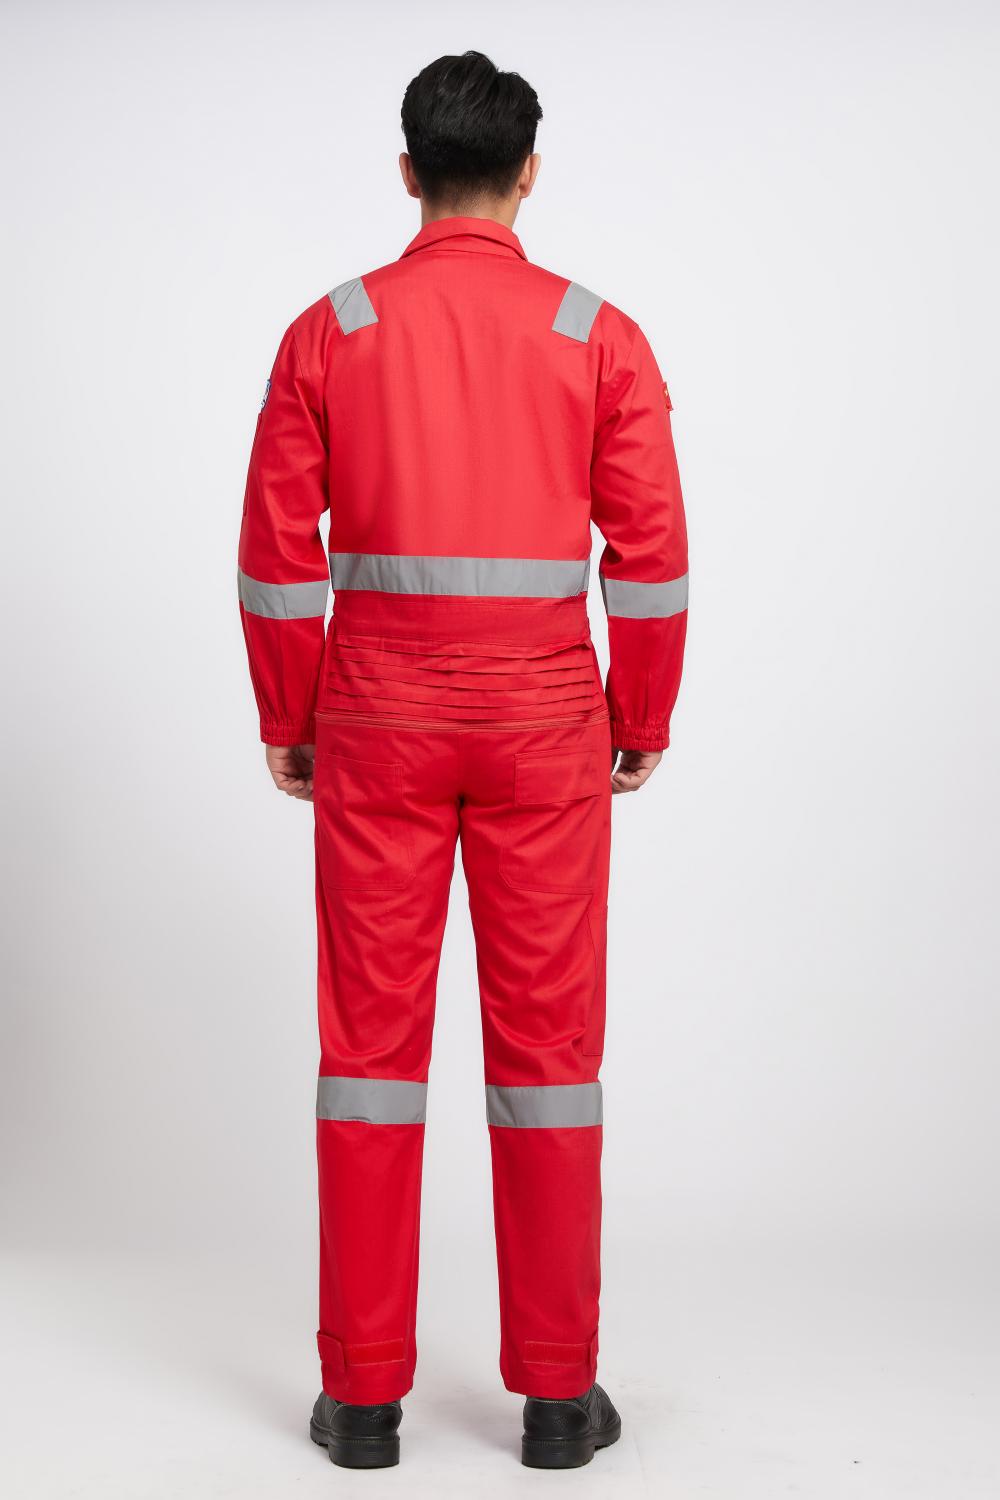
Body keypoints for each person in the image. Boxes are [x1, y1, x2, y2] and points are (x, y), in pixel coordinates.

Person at [237, 49, 688, 1470]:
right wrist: (640, 714)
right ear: (528, 175)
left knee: (369, 1062)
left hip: (376, 719)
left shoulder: (331, 331)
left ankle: (363, 1401)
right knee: (548, 1059)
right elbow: (652, 557)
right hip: (545, 725)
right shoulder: (598, 335)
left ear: (408, 172)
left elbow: (276, 559)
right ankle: (557, 1401)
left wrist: (293, 715)